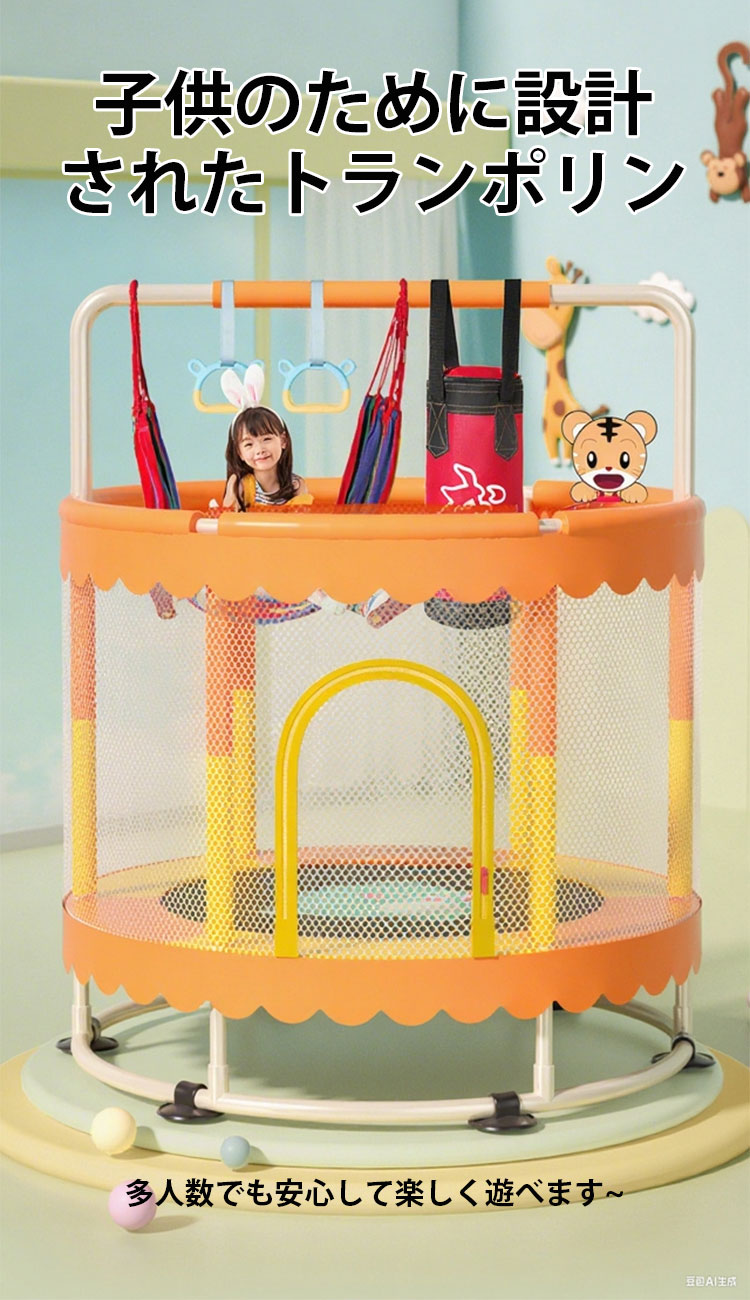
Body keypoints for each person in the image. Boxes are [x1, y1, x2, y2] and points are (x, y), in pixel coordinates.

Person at [222, 405, 313, 510]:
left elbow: (302, 517)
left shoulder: (296, 485)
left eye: (266, 439)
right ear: (239, 452)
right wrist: (232, 485)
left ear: (283, 441)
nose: (260, 450)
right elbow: (228, 515)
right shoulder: (242, 486)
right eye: (249, 444)